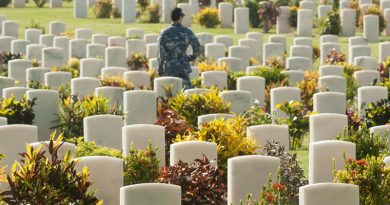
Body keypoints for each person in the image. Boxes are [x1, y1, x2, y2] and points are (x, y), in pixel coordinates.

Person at [157, 7, 201, 90]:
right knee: (185, 94)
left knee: (170, 94)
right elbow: (198, 49)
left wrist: (160, 69)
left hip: (169, 68)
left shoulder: (164, 33)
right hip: (183, 68)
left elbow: (161, 53)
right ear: (180, 17)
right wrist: (190, 58)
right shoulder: (187, 32)